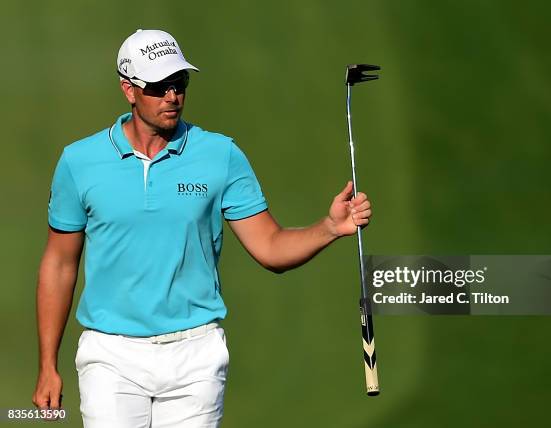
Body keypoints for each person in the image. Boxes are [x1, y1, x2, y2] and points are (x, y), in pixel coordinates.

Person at [31, 29, 372, 428]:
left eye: (180, 83)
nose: (172, 96)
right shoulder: (79, 161)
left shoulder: (220, 155)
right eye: (158, 86)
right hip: (110, 355)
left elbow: (270, 248)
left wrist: (329, 228)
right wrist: (47, 364)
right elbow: (59, 265)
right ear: (128, 89)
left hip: (196, 355)